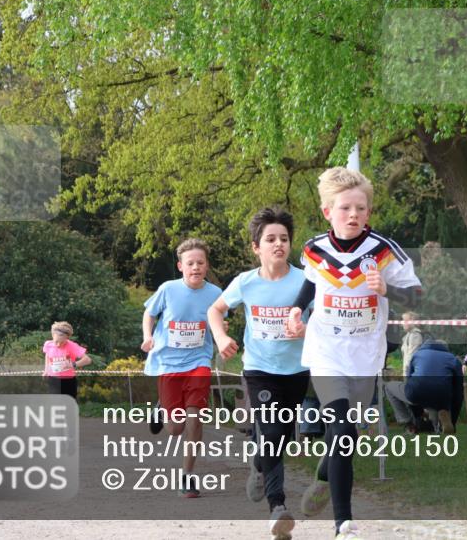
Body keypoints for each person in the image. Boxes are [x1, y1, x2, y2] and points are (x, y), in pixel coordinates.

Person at [284, 167, 421, 540]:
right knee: (341, 425)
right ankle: (343, 522)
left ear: (369, 212)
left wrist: (387, 290)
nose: (353, 215)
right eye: (345, 208)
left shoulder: (384, 251)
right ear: (328, 211)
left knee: (347, 436)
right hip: (325, 350)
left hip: (365, 354)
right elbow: (312, 284)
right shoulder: (314, 249)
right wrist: (297, 310)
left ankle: (325, 474)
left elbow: (419, 297)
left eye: (360, 208)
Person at [207, 207, 308, 540]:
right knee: (274, 429)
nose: (278, 244)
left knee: (280, 435)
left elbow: (321, 320)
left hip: (296, 370)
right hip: (259, 370)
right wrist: (221, 337)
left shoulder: (305, 281)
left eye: (284, 239)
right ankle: (277, 508)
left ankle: (258, 463)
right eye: (270, 239)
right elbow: (215, 309)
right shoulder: (245, 282)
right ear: (256, 247)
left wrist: (304, 330)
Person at [141, 238, 222, 498]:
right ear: (180, 266)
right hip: (169, 363)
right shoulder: (168, 289)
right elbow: (149, 313)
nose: (195, 267)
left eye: (200, 263)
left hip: (199, 361)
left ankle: (187, 477)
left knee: (194, 419)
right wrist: (148, 335)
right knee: (175, 428)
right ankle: (161, 408)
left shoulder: (215, 294)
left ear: (207, 266)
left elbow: (219, 321)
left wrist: (222, 336)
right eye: (190, 263)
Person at [404, 338, 463, 434]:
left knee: (391, 388)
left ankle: (417, 421)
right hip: (442, 395)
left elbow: (408, 378)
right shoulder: (453, 359)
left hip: (417, 391)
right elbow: (458, 392)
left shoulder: (417, 355)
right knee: (438, 396)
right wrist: (453, 421)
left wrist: (417, 410)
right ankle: (441, 418)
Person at [42, 321, 91, 399]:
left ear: (67, 338)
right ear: (52, 335)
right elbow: (47, 355)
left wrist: (73, 364)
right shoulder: (48, 344)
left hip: (68, 381)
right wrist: (46, 370)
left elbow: (87, 360)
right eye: (56, 341)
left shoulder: (72, 346)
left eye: (62, 342)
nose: (58, 345)